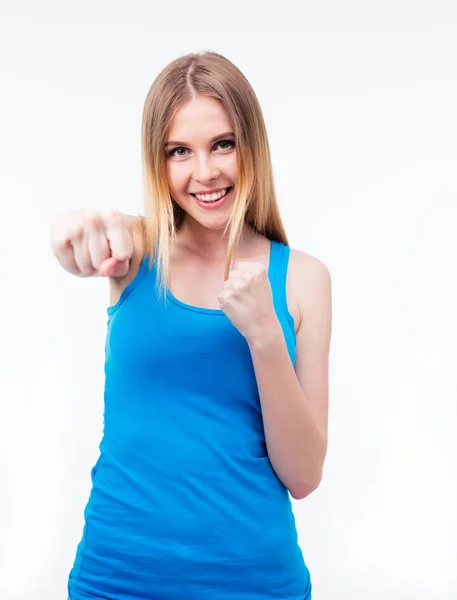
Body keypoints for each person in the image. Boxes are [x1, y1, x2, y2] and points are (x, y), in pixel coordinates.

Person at [51, 51, 332, 600]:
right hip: (116, 577)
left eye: (222, 144)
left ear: (251, 145)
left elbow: (304, 476)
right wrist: (66, 234)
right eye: (179, 152)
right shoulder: (135, 248)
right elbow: (80, 235)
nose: (204, 172)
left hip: (255, 581)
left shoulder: (303, 279)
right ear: (158, 164)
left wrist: (265, 336)